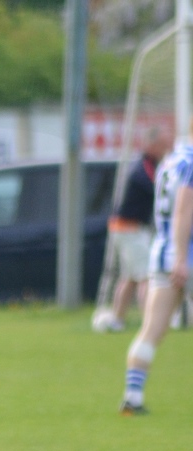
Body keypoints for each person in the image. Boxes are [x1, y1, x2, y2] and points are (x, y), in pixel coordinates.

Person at [120, 132, 193, 415]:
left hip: (161, 253)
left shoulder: (169, 161)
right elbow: (184, 212)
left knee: (151, 330)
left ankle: (132, 397)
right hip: (184, 256)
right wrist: (180, 259)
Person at [94, 126, 171, 333]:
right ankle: (150, 322)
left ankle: (117, 320)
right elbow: (159, 189)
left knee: (128, 277)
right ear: (152, 145)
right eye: (164, 145)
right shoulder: (144, 167)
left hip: (124, 228)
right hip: (130, 229)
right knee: (146, 276)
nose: (167, 149)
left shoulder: (148, 165)